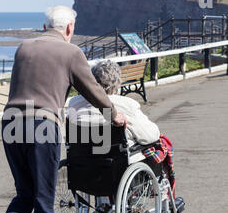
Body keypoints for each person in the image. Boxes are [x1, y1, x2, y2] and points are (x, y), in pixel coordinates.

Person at [0, 6, 127, 213]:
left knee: (24, 191)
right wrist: (114, 113)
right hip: (42, 124)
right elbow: (93, 89)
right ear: (69, 28)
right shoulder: (71, 53)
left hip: (11, 122)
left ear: (44, 27)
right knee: (43, 198)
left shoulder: (23, 48)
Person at [68, 59, 183, 202]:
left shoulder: (74, 103)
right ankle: (166, 197)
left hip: (83, 166)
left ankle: (103, 204)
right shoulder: (125, 104)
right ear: (117, 83)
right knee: (160, 144)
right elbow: (149, 135)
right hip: (116, 167)